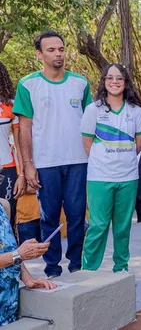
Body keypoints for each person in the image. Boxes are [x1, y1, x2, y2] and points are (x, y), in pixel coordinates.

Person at [13, 31, 91, 278]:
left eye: (61, 49)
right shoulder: (28, 84)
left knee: (77, 215)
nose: (58, 53)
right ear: (39, 54)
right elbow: (24, 128)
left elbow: (91, 124)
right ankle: (53, 268)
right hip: (46, 163)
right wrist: (28, 165)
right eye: (51, 50)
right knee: (49, 217)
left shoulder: (80, 83)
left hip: (79, 161)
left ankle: (77, 265)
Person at [80, 64, 141, 273]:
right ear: (104, 82)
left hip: (128, 177)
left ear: (125, 82)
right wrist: (105, 160)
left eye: (119, 78)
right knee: (98, 225)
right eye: (110, 78)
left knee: (122, 226)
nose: (114, 82)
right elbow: (87, 144)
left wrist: (122, 159)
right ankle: (88, 270)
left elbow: (139, 143)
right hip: (100, 177)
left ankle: (121, 268)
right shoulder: (93, 109)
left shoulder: (135, 111)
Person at [0, 198, 56, 326]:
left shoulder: (4, 206)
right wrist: (18, 254)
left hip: (8, 313)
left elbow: (8, 249)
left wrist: (28, 278)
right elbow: (15, 254)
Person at [0, 61, 26, 226]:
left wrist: (22, 174)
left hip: (8, 168)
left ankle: (11, 251)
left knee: (7, 218)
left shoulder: (11, 104)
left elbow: (19, 143)